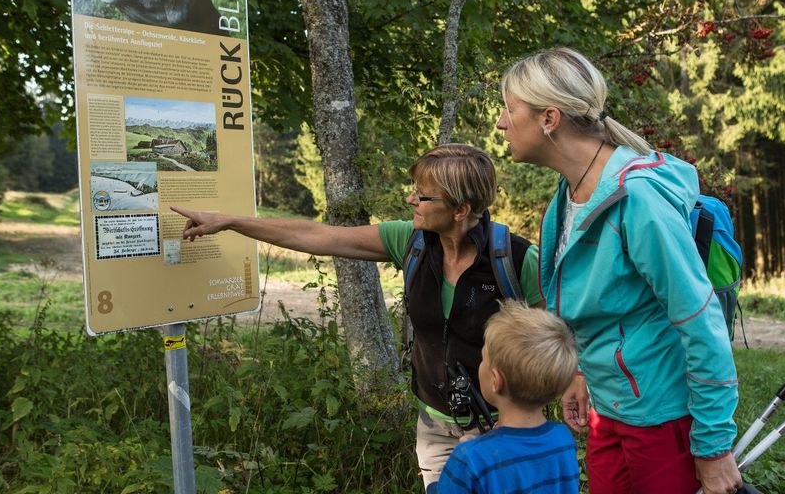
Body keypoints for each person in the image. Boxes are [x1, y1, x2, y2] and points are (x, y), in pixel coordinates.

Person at [171, 143, 541, 491]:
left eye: (422, 195)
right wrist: (230, 221)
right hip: (433, 429)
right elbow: (318, 236)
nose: (410, 199)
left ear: (460, 209)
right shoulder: (410, 243)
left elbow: (551, 344)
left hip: (500, 427)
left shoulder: (515, 260)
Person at [495, 48, 742, 494]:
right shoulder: (568, 195)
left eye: (510, 110)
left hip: (662, 416)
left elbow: (701, 320)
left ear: (549, 118)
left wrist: (714, 446)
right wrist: (580, 373)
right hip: (610, 409)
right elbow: (606, 307)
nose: (500, 123)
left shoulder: (638, 200)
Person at [434, 299, 580, 494]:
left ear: (496, 380)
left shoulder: (470, 460)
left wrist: (469, 457)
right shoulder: (563, 439)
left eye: (484, 359)